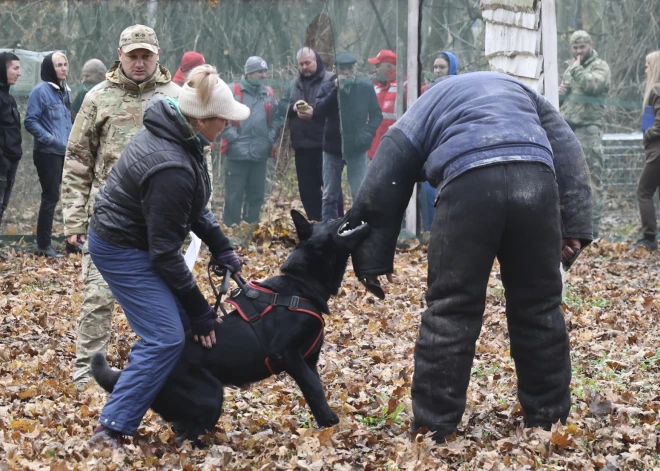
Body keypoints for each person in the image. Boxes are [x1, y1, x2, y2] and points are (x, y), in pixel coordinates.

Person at [348, 72, 593, 442]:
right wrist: (573, 227)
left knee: (451, 308)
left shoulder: (430, 102)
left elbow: (389, 164)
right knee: (540, 307)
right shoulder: (524, 92)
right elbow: (567, 147)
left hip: (469, 182)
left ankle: (433, 428)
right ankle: (549, 421)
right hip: (535, 178)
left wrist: (370, 257)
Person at [87, 65, 247, 447]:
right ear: (203, 120)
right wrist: (199, 311)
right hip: (121, 247)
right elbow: (164, 255)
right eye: (223, 119)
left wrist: (221, 244)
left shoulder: (179, 136)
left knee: (179, 331)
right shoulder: (172, 163)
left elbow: (192, 207)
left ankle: (181, 411)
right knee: (166, 337)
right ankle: (110, 427)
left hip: (140, 242)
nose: (226, 125)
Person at [62, 24, 180, 390]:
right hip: (107, 222)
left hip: (160, 221)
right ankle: (85, 376)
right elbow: (78, 160)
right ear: (120, 55)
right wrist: (74, 221)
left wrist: (191, 217)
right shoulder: (98, 97)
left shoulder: (177, 97)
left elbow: (197, 157)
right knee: (97, 298)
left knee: (166, 303)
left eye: (146, 56)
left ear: (157, 55)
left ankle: (164, 373)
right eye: (133, 56)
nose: (140, 63)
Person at [314, 51, 382, 221]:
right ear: (335, 69)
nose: (347, 73)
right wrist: (336, 91)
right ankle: (328, 230)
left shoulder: (365, 88)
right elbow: (320, 112)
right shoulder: (327, 87)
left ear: (355, 68)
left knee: (359, 192)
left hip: (357, 147)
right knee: (330, 194)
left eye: (350, 69)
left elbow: (376, 115)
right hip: (332, 147)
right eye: (343, 69)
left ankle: (360, 225)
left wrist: (368, 132)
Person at [559, 30, 610, 238]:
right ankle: (571, 229)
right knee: (567, 180)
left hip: (588, 131)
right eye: (575, 48)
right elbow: (564, 99)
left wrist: (577, 70)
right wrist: (560, 92)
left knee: (592, 180)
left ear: (591, 44)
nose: (579, 51)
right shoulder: (571, 68)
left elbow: (592, 85)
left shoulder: (600, 67)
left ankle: (593, 231)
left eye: (582, 47)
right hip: (567, 129)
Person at [221, 56, 283, 226]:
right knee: (234, 195)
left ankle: (251, 228)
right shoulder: (231, 90)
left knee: (256, 195)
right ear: (249, 73)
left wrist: (269, 139)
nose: (264, 75)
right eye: (259, 72)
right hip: (236, 154)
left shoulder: (268, 93)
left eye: (265, 71)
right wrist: (234, 138)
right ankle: (230, 230)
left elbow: (277, 119)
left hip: (260, 154)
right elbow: (219, 116)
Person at [25, 52, 73, 258]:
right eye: (58, 65)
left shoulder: (65, 91)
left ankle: (73, 242)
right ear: (49, 68)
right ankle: (43, 245)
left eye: (65, 64)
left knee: (72, 195)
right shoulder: (40, 91)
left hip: (67, 152)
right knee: (50, 197)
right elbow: (30, 121)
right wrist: (50, 139)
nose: (63, 68)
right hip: (48, 153)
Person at [280, 47, 335, 221]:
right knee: (307, 191)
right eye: (301, 64)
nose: (304, 67)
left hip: (325, 145)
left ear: (316, 61)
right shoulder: (293, 84)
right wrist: (293, 107)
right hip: (302, 146)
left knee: (330, 191)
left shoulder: (331, 79)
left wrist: (315, 111)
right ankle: (315, 224)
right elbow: (280, 108)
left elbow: (337, 108)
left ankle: (333, 224)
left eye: (308, 63)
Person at [420, 51, 459, 231]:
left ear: (451, 67)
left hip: (454, 145)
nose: (437, 71)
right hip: (433, 145)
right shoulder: (427, 90)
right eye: (435, 67)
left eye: (442, 67)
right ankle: (430, 229)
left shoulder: (461, 87)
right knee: (428, 190)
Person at [635, 51, 660, 251]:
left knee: (643, 191)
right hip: (653, 149)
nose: (645, 68)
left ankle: (649, 238)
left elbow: (658, 125)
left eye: (647, 64)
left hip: (657, 151)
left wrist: (647, 135)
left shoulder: (658, 90)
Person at [0, 53, 22, 261]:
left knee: (2, 205)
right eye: (14, 68)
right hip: (2, 162)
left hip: (10, 162)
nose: (19, 72)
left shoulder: (9, 97)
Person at [367, 49, 405, 159]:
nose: (375, 69)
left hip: (393, 152)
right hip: (374, 151)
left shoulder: (404, 87)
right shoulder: (376, 88)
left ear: (389, 67)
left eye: (378, 65)